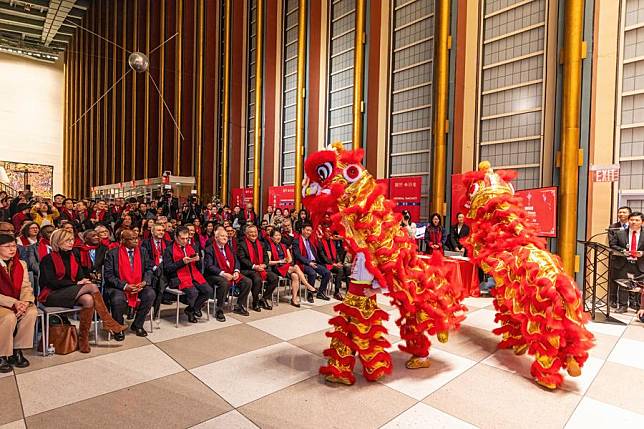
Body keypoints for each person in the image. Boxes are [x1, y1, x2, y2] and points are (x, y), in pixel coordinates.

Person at [39, 229, 126, 353]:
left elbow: (80, 276)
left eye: (71, 240)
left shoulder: (73, 256)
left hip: (70, 291)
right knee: (92, 287)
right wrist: (76, 283)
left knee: (89, 299)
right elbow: (50, 282)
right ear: (58, 242)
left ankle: (83, 338)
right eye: (67, 240)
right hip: (52, 294)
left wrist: (83, 280)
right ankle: (108, 321)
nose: (71, 242)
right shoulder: (48, 259)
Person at [103, 229, 155, 339]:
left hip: (138, 284)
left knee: (150, 294)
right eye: (132, 239)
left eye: (137, 238)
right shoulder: (112, 253)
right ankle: (118, 327)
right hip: (118, 286)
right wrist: (125, 286)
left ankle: (138, 324)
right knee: (117, 299)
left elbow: (149, 269)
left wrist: (144, 282)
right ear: (122, 240)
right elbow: (109, 276)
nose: (136, 241)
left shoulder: (143, 251)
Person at [0, 234, 37, 372]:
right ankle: (2, 354)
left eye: (14, 246)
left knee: (31, 312)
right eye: (7, 246)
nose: (12, 249)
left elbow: (26, 286)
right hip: (4, 302)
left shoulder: (21, 264)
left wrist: (25, 302)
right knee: (8, 316)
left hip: (18, 301)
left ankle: (16, 350)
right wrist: (14, 302)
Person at [163, 226, 213, 323]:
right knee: (193, 292)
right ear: (176, 237)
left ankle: (191, 309)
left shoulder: (192, 247)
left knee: (208, 290)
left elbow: (198, 266)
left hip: (193, 274)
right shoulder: (169, 250)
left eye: (187, 238)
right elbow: (168, 268)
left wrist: (198, 260)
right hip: (177, 277)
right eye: (182, 238)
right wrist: (182, 262)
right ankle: (193, 309)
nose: (185, 241)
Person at [204, 226, 252, 320]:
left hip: (230, 272)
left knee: (247, 281)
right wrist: (223, 274)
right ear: (216, 237)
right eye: (222, 236)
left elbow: (236, 261)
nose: (225, 238)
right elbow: (209, 266)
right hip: (214, 275)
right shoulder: (209, 249)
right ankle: (219, 310)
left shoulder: (229, 248)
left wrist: (236, 271)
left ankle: (239, 305)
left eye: (226, 236)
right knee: (224, 283)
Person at [267, 229, 317, 307]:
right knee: (296, 266)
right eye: (276, 235)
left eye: (279, 235)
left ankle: (294, 299)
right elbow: (268, 262)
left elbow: (290, 259)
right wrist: (280, 261)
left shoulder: (284, 245)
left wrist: (285, 261)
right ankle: (307, 285)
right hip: (276, 267)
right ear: (271, 237)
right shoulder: (269, 246)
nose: (278, 237)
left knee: (295, 276)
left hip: (285, 266)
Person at [609, 211, 644, 313]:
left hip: (639, 263)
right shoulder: (620, 233)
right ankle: (623, 306)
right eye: (632, 220)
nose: (633, 222)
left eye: (637, 220)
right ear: (628, 221)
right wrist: (622, 251)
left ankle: (639, 307)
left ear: (642, 222)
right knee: (623, 284)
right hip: (623, 262)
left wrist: (642, 253)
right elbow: (613, 245)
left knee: (639, 285)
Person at [237, 224, 277, 312]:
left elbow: (266, 257)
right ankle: (255, 302)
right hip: (247, 269)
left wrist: (264, 265)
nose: (253, 234)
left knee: (274, 278)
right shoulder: (241, 244)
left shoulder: (262, 244)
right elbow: (242, 259)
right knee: (257, 279)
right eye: (251, 232)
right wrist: (254, 266)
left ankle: (264, 299)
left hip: (261, 267)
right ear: (246, 234)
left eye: (255, 232)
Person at [292, 223, 331, 302]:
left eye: (310, 231)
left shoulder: (311, 241)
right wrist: (309, 262)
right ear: (302, 230)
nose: (309, 232)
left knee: (327, 272)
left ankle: (320, 292)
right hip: (303, 263)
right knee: (312, 273)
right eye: (307, 230)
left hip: (314, 262)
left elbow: (317, 252)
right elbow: (297, 255)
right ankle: (310, 294)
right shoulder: (296, 241)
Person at [141, 223, 170, 319]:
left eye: (162, 230)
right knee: (158, 280)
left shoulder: (168, 243)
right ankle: (153, 309)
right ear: (152, 232)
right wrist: (154, 267)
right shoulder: (145, 243)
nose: (161, 232)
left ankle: (155, 310)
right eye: (158, 230)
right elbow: (145, 259)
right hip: (151, 270)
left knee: (160, 280)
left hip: (164, 270)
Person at [318, 228, 345, 301]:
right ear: (324, 232)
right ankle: (336, 292)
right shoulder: (320, 242)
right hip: (325, 263)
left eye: (330, 232)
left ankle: (348, 291)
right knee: (340, 270)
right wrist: (333, 264)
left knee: (347, 268)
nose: (329, 233)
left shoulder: (332, 242)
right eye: (327, 232)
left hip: (334, 263)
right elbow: (322, 256)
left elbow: (336, 254)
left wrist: (339, 262)